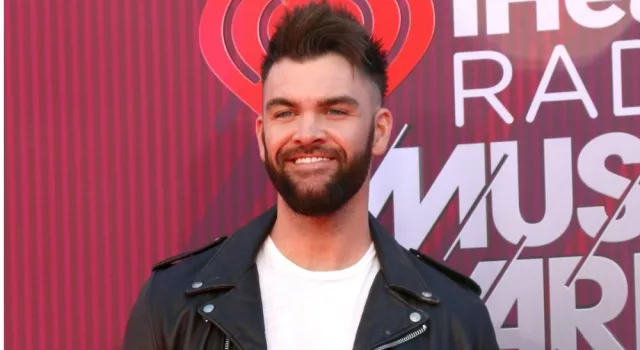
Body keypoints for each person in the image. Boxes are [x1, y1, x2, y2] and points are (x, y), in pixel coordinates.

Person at [121, 2, 500, 349]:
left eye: (335, 111)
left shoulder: (456, 319)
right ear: (261, 134)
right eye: (284, 113)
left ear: (380, 130)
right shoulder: (172, 304)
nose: (306, 133)